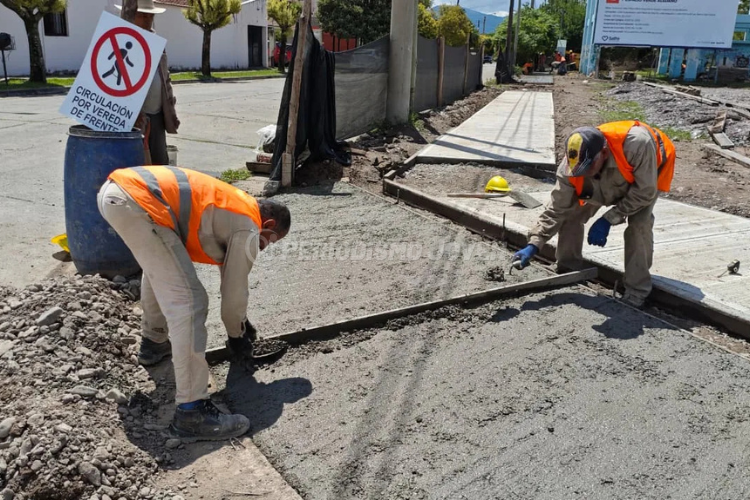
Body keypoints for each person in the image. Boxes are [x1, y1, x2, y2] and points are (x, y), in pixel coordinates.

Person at [97, 165, 291, 441]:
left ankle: (153, 343)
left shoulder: (235, 205)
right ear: (268, 225)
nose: (266, 246)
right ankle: (192, 412)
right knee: (191, 302)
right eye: (272, 240)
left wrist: (240, 322)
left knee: (163, 270)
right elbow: (235, 290)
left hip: (120, 192)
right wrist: (237, 336)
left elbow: (229, 282)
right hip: (140, 202)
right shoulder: (249, 226)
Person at [512, 121, 676, 308]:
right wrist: (535, 243)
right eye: (578, 170)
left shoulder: (637, 145)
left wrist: (609, 218)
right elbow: (557, 209)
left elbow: (644, 192)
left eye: (587, 168)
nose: (583, 174)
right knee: (571, 213)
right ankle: (568, 269)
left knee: (639, 225)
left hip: (648, 173)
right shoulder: (572, 166)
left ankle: (636, 291)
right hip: (613, 175)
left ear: (604, 153)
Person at [116, 0, 180, 165]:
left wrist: (170, 110)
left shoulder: (156, 43)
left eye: (150, 16)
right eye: (142, 15)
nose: (147, 19)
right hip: (133, 117)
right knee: (137, 163)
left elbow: (165, 78)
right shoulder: (120, 41)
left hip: (156, 115)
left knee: (159, 162)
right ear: (131, 16)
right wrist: (130, 111)